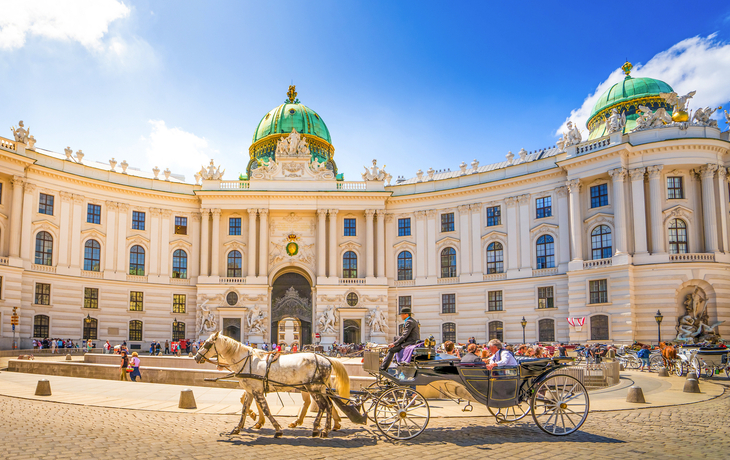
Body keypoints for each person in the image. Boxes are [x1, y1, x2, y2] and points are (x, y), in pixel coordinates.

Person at [379, 307, 420, 371]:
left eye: (401, 314)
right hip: (409, 340)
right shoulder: (411, 321)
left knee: (391, 350)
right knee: (395, 338)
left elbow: (404, 335)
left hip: (410, 342)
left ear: (406, 315)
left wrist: (394, 344)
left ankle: (383, 368)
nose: (400, 316)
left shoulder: (409, 322)